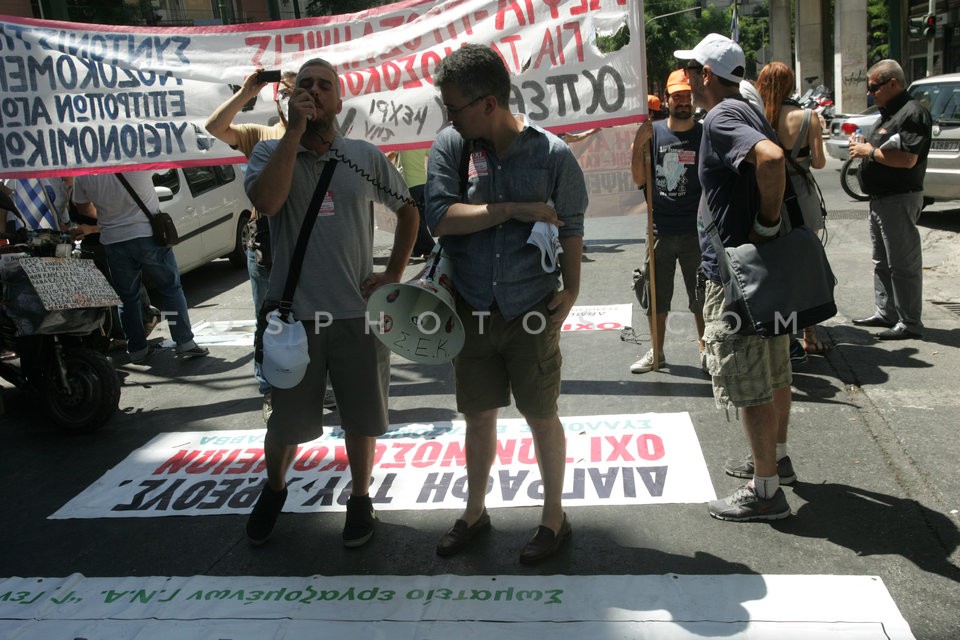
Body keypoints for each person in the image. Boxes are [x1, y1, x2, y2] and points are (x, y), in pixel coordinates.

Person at [242, 58, 418, 548]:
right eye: (305, 85)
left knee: (362, 418)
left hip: (358, 318)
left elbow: (408, 211)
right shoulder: (269, 155)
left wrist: (394, 274)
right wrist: (295, 133)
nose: (315, 92)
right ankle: (275, 487)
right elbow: (270, 203)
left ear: (340, 101)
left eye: (325, 86)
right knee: (286, 424)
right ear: (288, 98)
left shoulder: (363, 154)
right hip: (293, 321)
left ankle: (360, 499)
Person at [424, 44, 588, 564]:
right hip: (469, 308)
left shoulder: (552, 154)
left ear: (488, 102)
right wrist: (514, 208)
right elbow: (442, 218)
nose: (447, 116)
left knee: (542, 416)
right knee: (477, 416)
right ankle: (474, 512)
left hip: (531, 309)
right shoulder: (450, 145)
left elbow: (573, 226)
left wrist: (573, 287)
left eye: (454, 106)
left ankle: (553, 519)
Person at [675, 33, 793, 521]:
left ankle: (765, 490)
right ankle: (775, 460)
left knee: (748, 383)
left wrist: (764, 224)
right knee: (773, 368)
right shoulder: (747, 107)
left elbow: (772, 159)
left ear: (707, 74)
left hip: (738, 273)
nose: (685, 78)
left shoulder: (723, 115)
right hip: (763, 271)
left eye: (691, 70)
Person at [205, 69, 294, 397]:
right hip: (268, 244)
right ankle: (268, 383)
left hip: (307, 243)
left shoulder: (323, 139)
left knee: (312, 317)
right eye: (286, 92)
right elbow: (215, 127)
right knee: (267, 316)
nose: (293, 97)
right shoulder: (262, 135)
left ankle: (312, 379)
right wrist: (247, 92)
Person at [72, 172, 209, 363]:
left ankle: (137, 349)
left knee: (127, 297)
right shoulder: (135, 157)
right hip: (147, 235)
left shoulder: (83, 172)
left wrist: (108, 215)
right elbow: (164, 168)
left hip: (114, 240)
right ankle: (184, 342)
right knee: (170, 289)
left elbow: (83, 207)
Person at [629, 68, 705, 375]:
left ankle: (706, 350)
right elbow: (638, 178)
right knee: (656, 295)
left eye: (687, 96)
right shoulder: (654, 131)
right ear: (667, 99)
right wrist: (637, 144)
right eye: (677, 97)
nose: (683, 102)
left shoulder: (704, 133)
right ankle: (657, 352)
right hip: (659, 228)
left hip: (697, 230)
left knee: (700, 295)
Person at [849, 59, 931, 341]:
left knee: (903, 264)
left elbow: (907, 159)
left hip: (899, 198)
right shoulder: (888, 113)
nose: (870, 93)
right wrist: (865, 149)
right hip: (881, 199)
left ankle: (909, 322)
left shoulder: (912, 113)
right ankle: (886, 313)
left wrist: (868, 152)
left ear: (892, 83)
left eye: (874, 87)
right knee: (882, 262)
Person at [756, 60, 829, 359]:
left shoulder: (760, 118)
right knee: (808, 264)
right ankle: (810, 334)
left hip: (772, 194)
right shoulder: (809, 117)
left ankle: (783, 334)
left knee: (778, 264)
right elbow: (821, 162)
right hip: (802, 194)